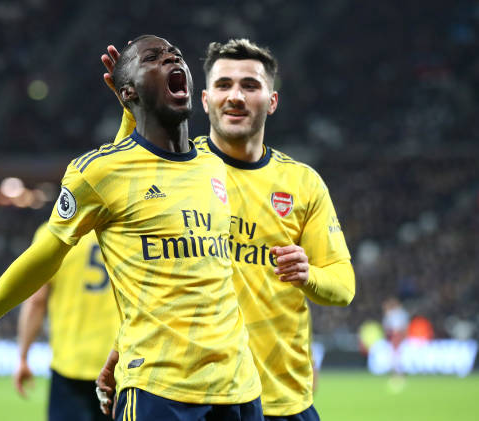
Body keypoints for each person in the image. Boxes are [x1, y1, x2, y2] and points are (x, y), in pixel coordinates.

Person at [0, 35, 263, 421]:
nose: (172, 57)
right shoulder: (98, 172)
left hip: (241, 389)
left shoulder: (214, 165)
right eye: (153, 58)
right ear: (128, 91)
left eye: (174, 53)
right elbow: (38, 264)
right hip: (161, 394)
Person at [99, 38, 355, 421]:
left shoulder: (303, 184)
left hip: (282, 400)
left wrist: (309, 275)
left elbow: (344, 285)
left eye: (249, 85)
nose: (235, 96)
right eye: (223, 85)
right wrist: (124, 349)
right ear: (204, 100)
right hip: (196, 397)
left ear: (272, 101)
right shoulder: (171, 173)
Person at [13, 224, 118, 421]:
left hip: (70, 364)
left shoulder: (53, 232)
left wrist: (23, 357)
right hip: (118, 365)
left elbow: (36, 301)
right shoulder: (124, 231)